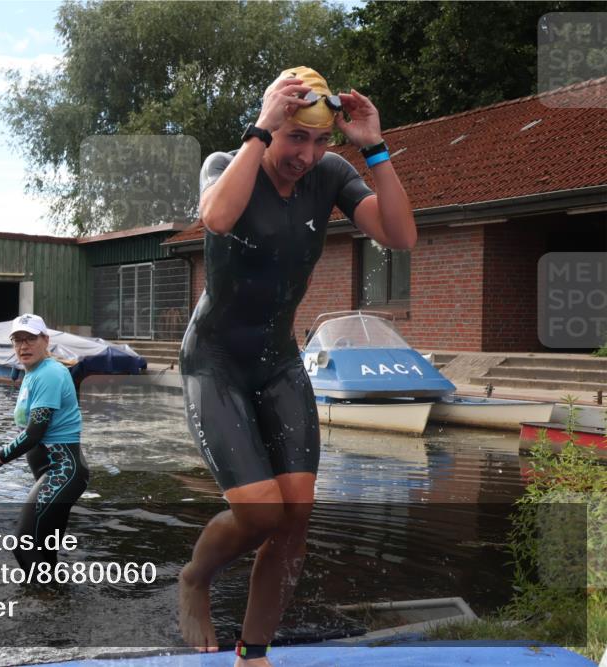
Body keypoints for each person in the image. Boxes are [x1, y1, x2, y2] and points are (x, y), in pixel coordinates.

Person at [178, 66, 416, 664]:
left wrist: (376, 148)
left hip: (278, 363)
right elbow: (218, 218)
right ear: (271, 128)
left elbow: (401, 237)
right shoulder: (226, 164)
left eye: (318, 141)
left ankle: (253, 652)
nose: (305, 156)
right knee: (259, 513)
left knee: (295, 517)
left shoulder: (332, 174)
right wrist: (260, 130)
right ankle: (195, 579)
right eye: (294, 138)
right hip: (215, 362)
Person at [0, 314, 89, 570]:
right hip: (55, 472)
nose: (23, 346)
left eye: (30, 339)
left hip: (62, 472)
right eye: (17, 340)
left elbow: (34, 433)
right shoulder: (34, 373)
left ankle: (45, 603)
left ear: (45, 340)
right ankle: (55, 603)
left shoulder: (49, 374)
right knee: (43, 552)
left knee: (24, 546)